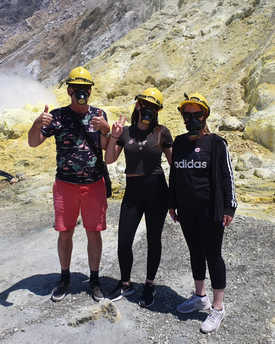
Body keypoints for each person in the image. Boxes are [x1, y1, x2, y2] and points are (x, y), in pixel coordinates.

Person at [28, 66, 111, 302]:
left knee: (94, 233)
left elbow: (107, 148)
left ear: (90, 91)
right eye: (77, 88)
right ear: (69, 90)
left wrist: (106, 130)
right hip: (65, 185)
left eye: (86, 88)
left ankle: (94, 280)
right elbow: (34, 143)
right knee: (65, 233)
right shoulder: (57, 116)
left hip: (94, 185)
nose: (81, 93)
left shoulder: (99, 114)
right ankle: (64, 277)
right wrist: (36, 124)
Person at [168, 93, 237, 333]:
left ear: (204, 115)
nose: (192, 119)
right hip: (186, 209)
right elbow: (175, 174)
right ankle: (200, 297)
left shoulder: (216, 143)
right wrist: (172, 202)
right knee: (195, 252)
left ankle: (217, 308)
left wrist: (230, 207)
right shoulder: (179, 142)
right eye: (187, 115)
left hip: (210, 209)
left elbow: (227, 175)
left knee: (213, 255)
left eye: (196, 114)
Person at [104, 88, 173, 308]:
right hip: (133, 191)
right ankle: (126, 283)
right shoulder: (125, 132)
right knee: (124, 240)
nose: (149, 110)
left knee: (154, 239)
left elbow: (175, 166)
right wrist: (114, 135)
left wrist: (177, 199)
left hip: (157, 191)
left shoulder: (163, 133)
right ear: (138, 106)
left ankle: (149, 284)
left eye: (154, 107)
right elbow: (109, 159)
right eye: (146, 105)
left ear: (158, 111)